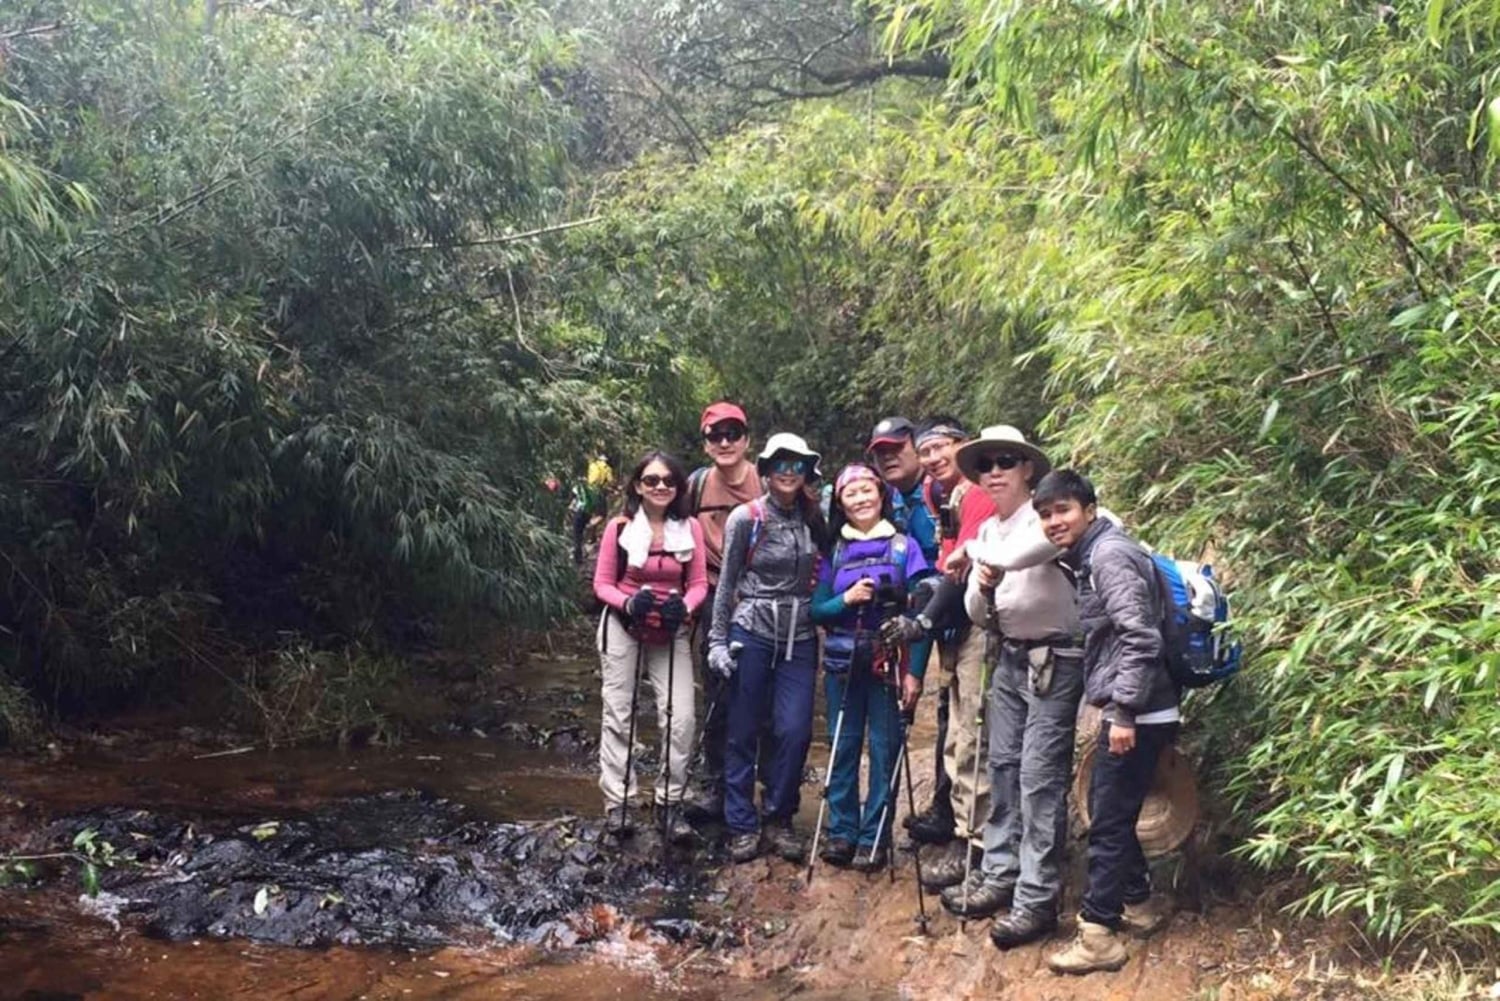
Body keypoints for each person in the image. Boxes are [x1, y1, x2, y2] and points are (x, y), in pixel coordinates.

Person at [929, 426, 1086, 949]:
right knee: (1003, 766)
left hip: (1056, 659)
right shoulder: (992, 533)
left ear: (1026, 469)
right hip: (1011, 656)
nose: (993, 472)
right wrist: (981, 570)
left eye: (1005, 461)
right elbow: (976, 609)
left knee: (1039, 777)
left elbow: (1036, 547)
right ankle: (1000, 873)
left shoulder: (1046, 518)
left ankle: (1036, 898)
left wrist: (976, 554)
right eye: (985, 465)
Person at [1035, 469, 1178, 975]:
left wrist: (1122, 713)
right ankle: (1138, 903)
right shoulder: (1095, 553)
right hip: (1141, 707)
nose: (1054, 521)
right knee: (1108, 807)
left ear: (1089, 510)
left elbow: (1141, 639)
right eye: (1046, 514)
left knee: (1109, 818)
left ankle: (1098, 935)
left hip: (1138, 711)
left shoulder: (1108, 556)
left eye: (1063, 510)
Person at [707, 432, 826, 864]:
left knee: (793, 730)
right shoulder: (746, 518)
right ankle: (741, 823)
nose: (789, 472)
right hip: (752, 630)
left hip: (801, 633)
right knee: (743, 728)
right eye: (781, 464)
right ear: (767, 471)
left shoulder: (816, 518)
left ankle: (779, 816)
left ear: (807, 471)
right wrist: (718, 643)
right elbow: (726, 584)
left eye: (797, 464)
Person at [810, 463, 932, 871]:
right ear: (840, 504)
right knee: (842, 745)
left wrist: (914, 671)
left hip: (887, 664)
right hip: (843, 664)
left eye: (867, 491)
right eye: (851, 493)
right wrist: (846, 600)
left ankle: (874, 835)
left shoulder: (905, 547)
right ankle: (842, 832)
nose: (861, 499)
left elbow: (921, 615)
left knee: (884, 747)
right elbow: (818, 611)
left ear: (882, 495)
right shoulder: (835, 551)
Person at [896, 419, 999, 864]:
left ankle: (974, 842)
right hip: (957, 619)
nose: (934, 458)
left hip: (982, 620)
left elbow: (962, 567)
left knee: (971, 731)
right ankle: (958, 823)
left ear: (964, 445)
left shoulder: (975, 492)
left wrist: (923, 619)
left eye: (941, 448)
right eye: (926, 451)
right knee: (954, 726)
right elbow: (946, 562)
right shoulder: (936, 495)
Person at [592, 451, 708, 845]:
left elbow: (698, 585)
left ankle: (670, 802)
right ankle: (619, 803)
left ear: (678, 487)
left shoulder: (689, 528)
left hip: (671, 626)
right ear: (638, 486)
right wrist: (626, 603)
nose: (660, 487)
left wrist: (686, 607)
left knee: (681, 717)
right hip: (623, 624)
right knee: (618, 713)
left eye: (668, 481)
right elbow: (602, 583)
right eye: (651, 480)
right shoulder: (619, 528)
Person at [682, 402, 762, 821]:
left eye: (733, 433)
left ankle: (756, 784)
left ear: (747, 438)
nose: (726, 441)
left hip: (762, 597)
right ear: (707, 443)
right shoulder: (696, 486)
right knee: (718, 692)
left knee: (761, 692)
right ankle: (716, 783)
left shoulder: (765, 479)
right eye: (717, 435)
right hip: (713, 593)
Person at [571, 452, 615, 564]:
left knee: (589, 514)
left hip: (589, 493)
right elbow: (610, 481)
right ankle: (590, 527)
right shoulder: (607, 468)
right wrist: (612, 488)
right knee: (602, 514)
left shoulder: (593, 465)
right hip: (599, 493)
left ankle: (591, 535)